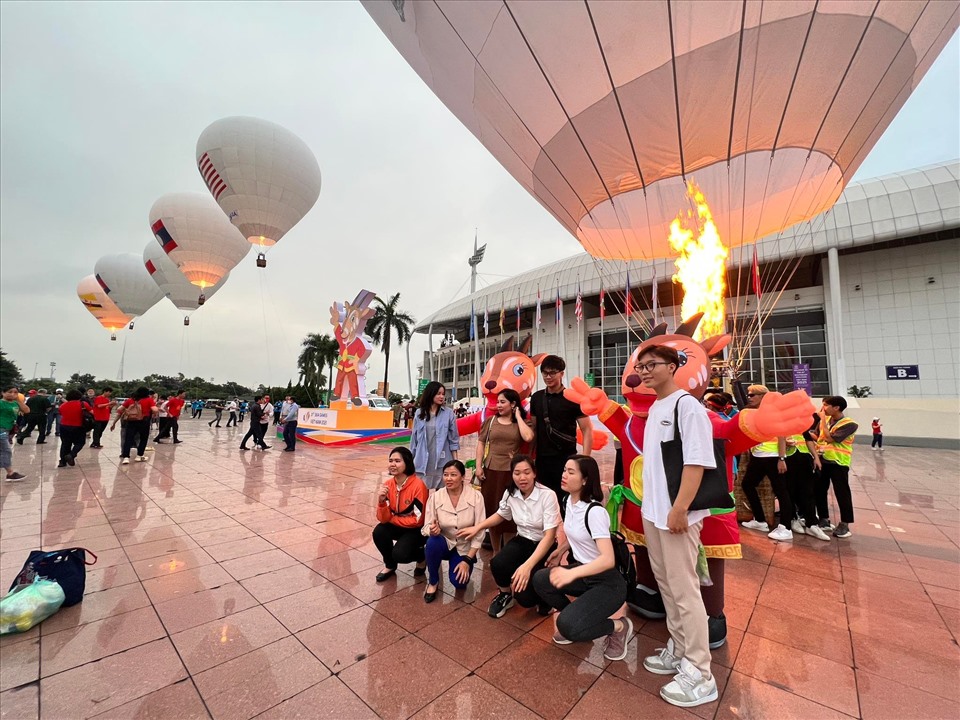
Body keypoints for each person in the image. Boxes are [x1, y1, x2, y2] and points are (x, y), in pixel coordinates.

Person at [633, 345, 718, 708]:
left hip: (676, 516)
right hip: (654, 514)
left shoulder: (688, 407)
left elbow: (696, 462)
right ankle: (680, 650)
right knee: (668, 585)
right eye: (640, 365)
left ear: (673, 366)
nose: (644, 371)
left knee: (685, 590)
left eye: (651, 365)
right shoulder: (656, 408)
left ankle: (701, 673)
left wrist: (680, 508)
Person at [533, 455, 632, 662]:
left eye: (571, 472)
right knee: (541, 580)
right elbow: (578, 532)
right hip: (584, 574)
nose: (564, 476)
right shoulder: (568, 500)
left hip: (606, 582)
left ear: (585, 480)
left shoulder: (594, 511)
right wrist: (561, 550)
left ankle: (618, 626)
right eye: (564, 471)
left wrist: (572, 573)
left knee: (567, 625)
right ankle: (579, 624)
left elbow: (607, 559)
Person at [459, 454, 560, 618]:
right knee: (498, 563)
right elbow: (501, 514)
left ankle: (545, 598)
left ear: (534, 473)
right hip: (523, 540)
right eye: (517, 473)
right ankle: (505, 594)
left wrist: (527, 566)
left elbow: (549, 536)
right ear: (512, 475)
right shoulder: (511, 493)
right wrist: (478, 527)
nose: (522, 477)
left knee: (526, 597)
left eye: (527, 472)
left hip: (544, 545)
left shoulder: (547, 496)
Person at [475, 389, 534, 550]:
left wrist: (518, 417)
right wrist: (479, 466)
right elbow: (480, 443)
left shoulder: (522, 423)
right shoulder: (491, 421)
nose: (498, 405)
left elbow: (528, 437)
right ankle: (495, 551)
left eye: (503, 402)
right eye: (498, 402)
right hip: (491, 470)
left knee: (510, 513)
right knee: (493, 510)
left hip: (511, 473)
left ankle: (507, 550)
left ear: (513, 404)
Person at [529, 355, 592, 504]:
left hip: (566, 458)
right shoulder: (537, 398)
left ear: (561, 373)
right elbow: (534, 430)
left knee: (566, 499)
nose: (548, 377)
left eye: (553, 373)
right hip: (543, 459)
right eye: (545, 373)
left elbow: (587, 430)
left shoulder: (573, 398)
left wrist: (585, 459)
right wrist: (530, 456)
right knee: (543, 499)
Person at [738, 385, 797, 542]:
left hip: (772, 456)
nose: (749, 397)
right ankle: (760, 520)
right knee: (747, 484)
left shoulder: (774, 413)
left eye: (753, 395)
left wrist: (781, 458)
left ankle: (786, 528)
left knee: (781, 491)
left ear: (763, 396)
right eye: (748, 394)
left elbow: (782, 436)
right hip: (758, 456)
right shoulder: (756, 412)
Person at [421, 460, 485, 602]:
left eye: (453, 475)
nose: (448, 478)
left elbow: (480, 531)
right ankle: (433, 581)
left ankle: (460, 563)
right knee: (432, 542)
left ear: (463, 477)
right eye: (445, 475)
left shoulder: (476, 497)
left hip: (464, 547)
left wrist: (468, 560)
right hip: (444, 542)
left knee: (459, 583)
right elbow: (426, 526)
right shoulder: (436, 497)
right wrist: (432, 530)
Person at [372, 446, 428, 582]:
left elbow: (418, 521)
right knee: (378, 532)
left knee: (400, 555)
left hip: (416, 531)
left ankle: (422, 556)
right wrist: (381, 502)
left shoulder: (418, 486)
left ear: (407, 463)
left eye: (397, 461)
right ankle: (390, 565)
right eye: (390, 460)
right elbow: (383, 519)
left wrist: (392, 518)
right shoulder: (388, 485)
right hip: (399, 524)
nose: (393, 464)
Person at [817, 396, 858, 539]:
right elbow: (818, 436)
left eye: (826, 405)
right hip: (823, 460)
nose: (823, 408)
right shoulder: (827, 420)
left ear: (837, 408)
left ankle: (845, 524)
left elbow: (830, 439)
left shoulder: (850, 424)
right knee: (820, 490)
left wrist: (821, 420)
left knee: (842, 493)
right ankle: (823, 519)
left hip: (838, 463)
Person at [409, 381, 460, 490]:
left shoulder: (449, 413)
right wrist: (409, 460)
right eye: (438, 394)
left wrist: (456, 463)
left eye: (443, 394)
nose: (442, 397)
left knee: (442, 496)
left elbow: (453, 440)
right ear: (430, 394)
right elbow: (414, 440)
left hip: (443, 460)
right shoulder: (419, 413)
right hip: (423, 461)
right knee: (421, 495)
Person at [113, 386, 157, 464]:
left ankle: (126, 457)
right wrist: (154, 412)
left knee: (128, 439)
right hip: (144, 422)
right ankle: (139, 456)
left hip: (131, 422)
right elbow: (154, 409)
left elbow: (119, 409)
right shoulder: (149, 400)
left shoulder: (130, 400)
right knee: (143, 439)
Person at [1, 386, 29, 481]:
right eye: (10, 392)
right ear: (3, 393)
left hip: (8, 430)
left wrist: (18, 399)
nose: (12, 394)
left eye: (15, 392)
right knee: (6, 450)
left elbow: (26, 410)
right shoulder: (1, 403)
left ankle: (10, 473)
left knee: (4, 451)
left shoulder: (15, 403)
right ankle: (10, 473)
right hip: (1, 429)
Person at [57, 389, 88, 468]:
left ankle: (62, 462)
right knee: (80, 443)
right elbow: (91, 412)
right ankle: (71, 455)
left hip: (64, 426)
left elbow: (61, 413)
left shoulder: (63, 405)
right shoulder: (83, 404)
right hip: (78, 426)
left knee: (65, 444)